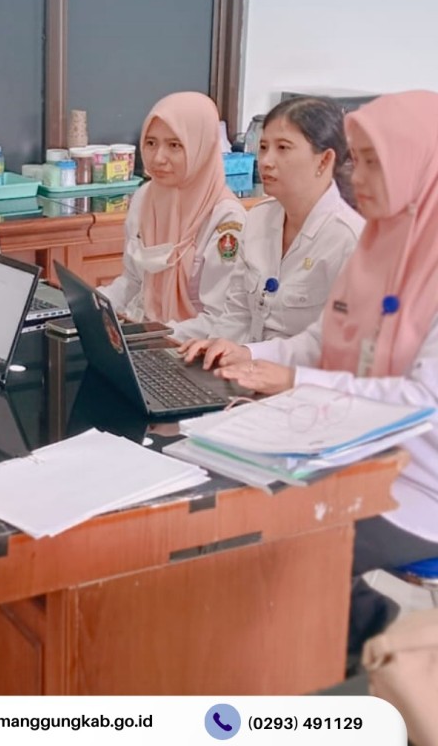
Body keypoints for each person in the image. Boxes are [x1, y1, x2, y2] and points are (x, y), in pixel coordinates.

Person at [206, 92, 438, 654]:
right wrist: (253, 359)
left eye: (375, 162)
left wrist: (295, 383)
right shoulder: (379, 243)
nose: (357, 176)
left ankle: (363, 655)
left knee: (283, 545)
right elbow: (319, 341)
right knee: (227, 508)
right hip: (343, 448)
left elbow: (422, 398)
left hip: (418, 482)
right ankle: (356, 641)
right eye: (358, 160)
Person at [177, 95, 364, 351]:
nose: (265, 161)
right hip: (243, 367)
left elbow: (336, 348)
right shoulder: (259, 217)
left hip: (293, 374)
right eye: (263, 147)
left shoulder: (349, 238)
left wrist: (249, 356)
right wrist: (214, 352)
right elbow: (237, 313)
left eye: (283, 148)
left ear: (324, 160)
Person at [99, 91, 246, 332]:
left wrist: (154, 338)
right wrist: (90, 304)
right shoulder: (144, 197)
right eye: (151, 143)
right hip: (146, 332)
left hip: (192, 344)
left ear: (201, 147)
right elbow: (132, 282)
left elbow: (220, 319)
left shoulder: (226, 219)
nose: (158, 158)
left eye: (174, 145)